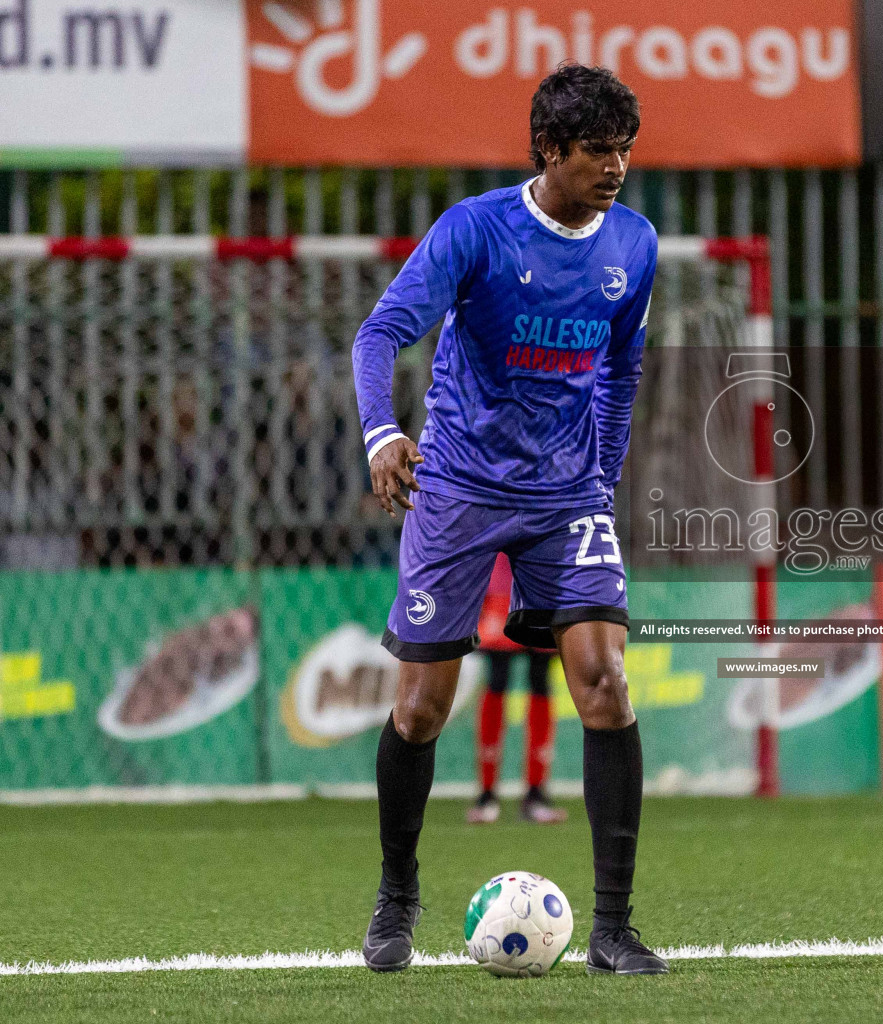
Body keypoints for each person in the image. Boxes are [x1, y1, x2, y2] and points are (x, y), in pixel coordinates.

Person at [352, 64, 667, 975]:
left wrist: (600, 481)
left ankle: (613, 929)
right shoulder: (476, 232)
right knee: (420, 710)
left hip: (566, 497)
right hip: (455, 488)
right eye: (598, 152)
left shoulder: (634, 246)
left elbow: (621, 370)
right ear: (549, 151)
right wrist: (382, 436)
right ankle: (397, 898)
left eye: (625, 150)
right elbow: (381, 335)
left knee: (604, 681)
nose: (616, 168)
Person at [467, 553, 566, 825]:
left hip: (543, 581)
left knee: (540, 679)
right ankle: (487, 794)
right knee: (498, 679)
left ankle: (536, 793)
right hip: (500, 583)